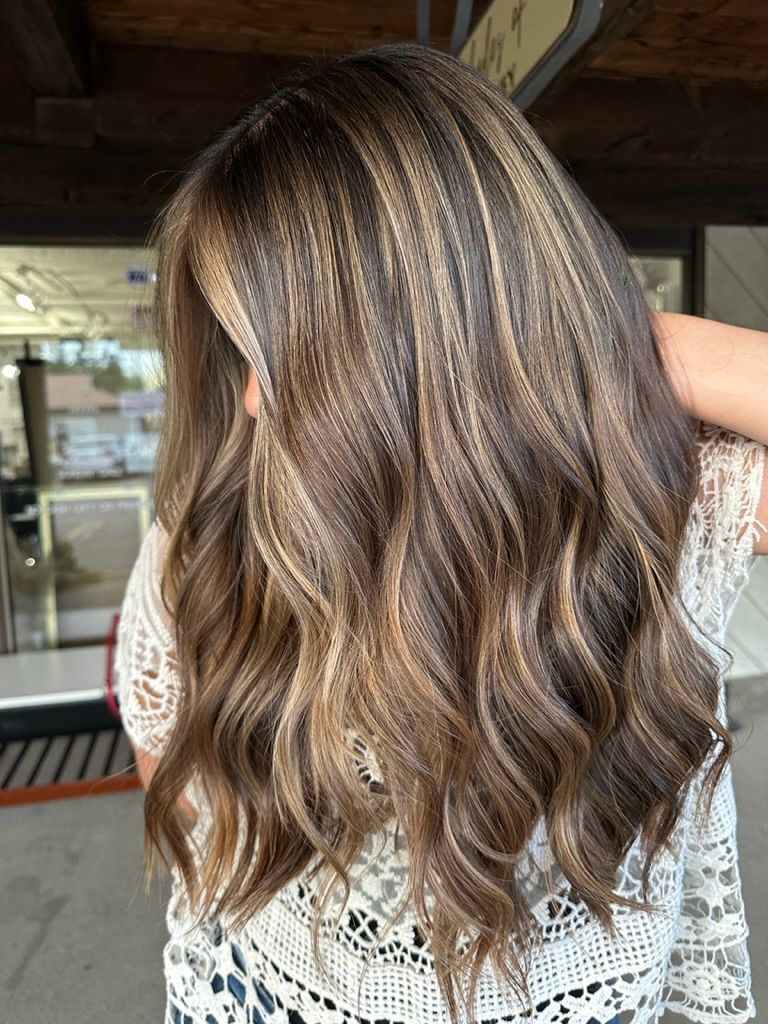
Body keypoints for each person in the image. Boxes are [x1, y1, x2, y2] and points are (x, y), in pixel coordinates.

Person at [115, 42, 768, 1024]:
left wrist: (624, 347)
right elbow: (177, 788)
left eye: (288, 352)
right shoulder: (222, 519)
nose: (250, 400)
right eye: (242, 350)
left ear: (445, 344)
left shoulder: (662, 503)